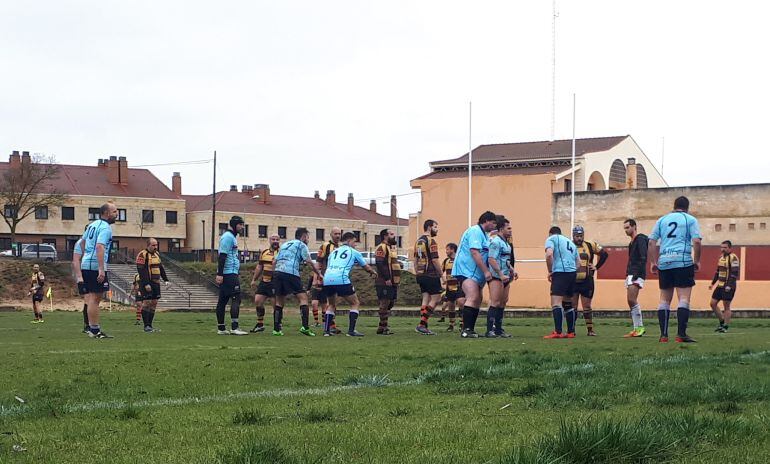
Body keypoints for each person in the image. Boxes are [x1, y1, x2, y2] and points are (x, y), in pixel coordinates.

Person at [648, 196, 702, 343]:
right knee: (683, 298)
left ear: (674, 205)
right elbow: (696, 241)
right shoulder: (690, 220)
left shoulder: (662, 220)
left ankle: (663, 335)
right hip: (683, 261)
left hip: (665, 261)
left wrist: (653, 262)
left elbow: (652, 242)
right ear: (687, 207)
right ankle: (681, 334)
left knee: (664, 299)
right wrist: (696, 261)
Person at [452, 211, 498, 338]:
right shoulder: (475, 231)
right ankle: (466, 330)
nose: (494, 226)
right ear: (486, 221)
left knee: (477, 299)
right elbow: (475, 253)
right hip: (467, 270)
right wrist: (486, 271)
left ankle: (470, 329)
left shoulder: (484, 235)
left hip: (475, 272)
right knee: (472, 296)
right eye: (493, 223)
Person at [322, 232, 377, 336]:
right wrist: (373, 272)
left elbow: (328, 266)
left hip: (328, 279)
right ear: (349, 241)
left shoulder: (333, 252)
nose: (355, 244)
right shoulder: (353, 252)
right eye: (354, 242)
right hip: (341, 278)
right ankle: (351, 331)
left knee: (331, 304)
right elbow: (366, 266)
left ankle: (326, 331)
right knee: (355, 303)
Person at [273, 227, 323, 336]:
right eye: (308, 237)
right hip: (290, 272)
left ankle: (276, 329)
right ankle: (305, 327)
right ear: (303, 236)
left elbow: (274, 261)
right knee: (303, 297)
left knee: (279, 300)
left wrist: (274, 273)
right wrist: (319, 274)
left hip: (277, 272)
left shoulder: (285, 245)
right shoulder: (301, 245)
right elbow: (309, 261)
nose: (308, 240)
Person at [79, 202, 118, 339]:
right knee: (96, 298)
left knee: (91, 298)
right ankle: (94, 330)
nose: (117, 214)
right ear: (106, 213)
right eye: (114, 212)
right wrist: (101, 269)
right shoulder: (105, 228)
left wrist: (84, 256)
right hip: (95, 266)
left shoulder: (92, 225)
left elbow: (81, 243)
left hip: (86, 264)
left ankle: (91, 328)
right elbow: (100, 247)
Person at [571, 225, 609, 336]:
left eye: (581, 235)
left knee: (586, 306)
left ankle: (590, 330)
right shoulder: (569, 245)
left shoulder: (589, 245)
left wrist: (596, 267)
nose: (579, 238)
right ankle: (571, 330)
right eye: (577, 236)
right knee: (573, 307)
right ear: (573, 236)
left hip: (587, 281)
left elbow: (604, 254)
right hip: (572, 280)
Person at [543, 226, 580, 339]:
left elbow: (549, 254)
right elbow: (578, 263)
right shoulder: (570, 242)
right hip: (572, 273)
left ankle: (558, 331)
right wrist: (572, 271)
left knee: (556, 302)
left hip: (560, 272)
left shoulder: (551, 239)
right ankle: (571, 332)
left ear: (551, 233)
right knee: (568, 302)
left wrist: (550, 271)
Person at [215, 216, 248, 335]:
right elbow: (222, 256)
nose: (242, 227)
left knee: (223, 300)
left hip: (229, 272)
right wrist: (220, 274)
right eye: (240, 224)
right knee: (236, 298)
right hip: (229, 273)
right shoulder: (228, 237)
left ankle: (221, 328)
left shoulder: (232, 237)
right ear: (234, 225)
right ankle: (235, 327)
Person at [486, 216, 517, 338]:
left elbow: (506, 260)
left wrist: (512, 270)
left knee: (503, 302)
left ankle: (499, 329)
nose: (510, 230)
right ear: (501, 229)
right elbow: (491, 259)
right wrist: (500, 274)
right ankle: (490, 330)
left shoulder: (507, 244)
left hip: (505, 277)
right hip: (496, 277)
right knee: (495, 302)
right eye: (508, 228)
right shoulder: (496, 242)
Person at [413, 219, 445, 335]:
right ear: (429, 227)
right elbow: (435, 260)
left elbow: (415, 259)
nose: (437, 229)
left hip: (421, 274)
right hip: (431, 274)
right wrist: (442, 275)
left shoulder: (418, 241)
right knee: (436, 299)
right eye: (435, 227)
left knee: (425, 299)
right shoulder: (431, 241)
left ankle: (424, 326)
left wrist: (417, 272)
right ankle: (422, 324)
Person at [135, 238, 169, 333]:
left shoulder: (157, 254)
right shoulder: (142, 254)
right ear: (148, 245)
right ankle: (146, 326)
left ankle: (150, 325)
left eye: (156, 245)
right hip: (147, 282)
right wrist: (146, 283)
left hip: (156, 282)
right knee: (147, 303)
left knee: (154, 303)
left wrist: (166, 280)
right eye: (153, 245)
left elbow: (161, 268)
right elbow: (141, 270)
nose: (155, 247)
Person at [250, 234, 280, 333]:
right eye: (273, 239)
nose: (275, 241)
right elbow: (259, 267)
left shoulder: (281, 253)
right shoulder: (264, 252)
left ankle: (278, 325)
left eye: (277, 239)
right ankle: (260, 324)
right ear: (269, 241)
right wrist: (254, 279)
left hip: (275, 282)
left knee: (275, 305)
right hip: (264, 281)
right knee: (258, 301)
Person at [623, 219, 648, 337]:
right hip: (630, 273)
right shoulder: (631, 243)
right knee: (630, 301)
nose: (626, 230)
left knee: (632, 300)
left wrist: (637, 274)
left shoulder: (641, 239)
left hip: (636, 274)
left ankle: (640, 327)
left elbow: (643, 257)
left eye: (627, 228)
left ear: (634, 227)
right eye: (625, 228)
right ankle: (636, 328)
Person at [708, 240, 739, 333]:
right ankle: (722, 322)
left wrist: (729, 285)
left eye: (725, 247)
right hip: (720, 285)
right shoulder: (721, 258)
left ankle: (725, 326)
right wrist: (712, 283)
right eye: (721, 247)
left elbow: (734, 273)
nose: (722, 249)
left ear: (730, 248)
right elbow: (717, 272)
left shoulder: (733, 258)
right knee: (712, 303)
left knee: (726, 306)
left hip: (728, 285)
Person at [374, 228, 401, 335]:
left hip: (393, 281)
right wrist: (387, 278)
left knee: (390, 302)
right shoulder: (382, 247)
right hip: (384, 281)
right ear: (385, 236)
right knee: (384, 302)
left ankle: (381, 326)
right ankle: (384, 327)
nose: (394, 236)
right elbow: (380, 263)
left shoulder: (390, 248)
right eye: (391, 234)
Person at [317, 227, 342, 334]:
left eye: (339, 234)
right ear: (331, 234)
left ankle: (331, 324)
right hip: (327, 277)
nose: (337, 235)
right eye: (335, 233)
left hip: (337, 278)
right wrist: (318, 276)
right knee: (329, 302)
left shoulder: (340, 247)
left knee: (334, 302)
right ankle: (329, 325)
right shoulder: (326, 246)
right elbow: (319, 262)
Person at [441, 243, 464, 332]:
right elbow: (440, 271)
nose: (446, 251)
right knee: (451, 305)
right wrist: (443, 279)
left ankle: (462, 323)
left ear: (452, 250)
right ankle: (451, 324)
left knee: (461, 304)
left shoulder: (459, 260)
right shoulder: (446, 261)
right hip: (449, 288)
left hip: (459, 287)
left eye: (447, 249)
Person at [71, 225, 89, 333]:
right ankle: (88, 325)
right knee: (88, 299)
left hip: (94, 273)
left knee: (94, 300)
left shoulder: (96, 243)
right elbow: (76, 261)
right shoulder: (80, 243)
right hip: (85, 274)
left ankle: (92, 324)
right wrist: (80, 277)